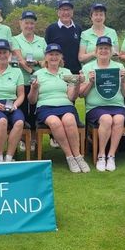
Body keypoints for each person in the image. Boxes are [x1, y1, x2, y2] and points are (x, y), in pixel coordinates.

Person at [28, 43, 90, 173]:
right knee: (55, 122)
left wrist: (77, 84)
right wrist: (33, 89)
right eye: (51, 54)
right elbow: (32, 100)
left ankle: (78, 156)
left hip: (66, 105)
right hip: (45, 107)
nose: (54, 57)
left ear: (61, 57)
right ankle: (70, 157)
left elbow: (72, 97)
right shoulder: (38, 73)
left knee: (69, 120)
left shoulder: (66, 72)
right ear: (46, 57)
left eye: (57, 54)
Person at [80, 36, 125, 172]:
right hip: (95, 107)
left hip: (117, 105)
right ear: (96, 50)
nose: (103, 51)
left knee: (119, 119)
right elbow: (81, 94)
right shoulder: (88, 67)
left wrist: (123, 81)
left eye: (106, 48)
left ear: (111, 51)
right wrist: (90, 82)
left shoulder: (119, 66)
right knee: (106, 119)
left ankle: (111, 155)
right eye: (100, 48)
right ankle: (101, 155)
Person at [12, 10, 47, 152]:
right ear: (21, 23)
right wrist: (33, 71)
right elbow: (20, 60)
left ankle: (32, 139)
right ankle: (21, 139)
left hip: (37, 83)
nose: (29, 25)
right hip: (21, 81)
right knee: (21, 111)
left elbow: (46, 60)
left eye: (32, 23)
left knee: (34, 112)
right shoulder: (15, 40)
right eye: (26, 22)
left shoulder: (42, 41)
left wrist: (37, 62)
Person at [45, 0, 83, 74]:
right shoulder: (51, 29)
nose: (66, 12)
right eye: (63, 10)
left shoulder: (78, 29)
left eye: (68, 9)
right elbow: (46, 51)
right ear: (58, 12)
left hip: (75, 71)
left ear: (72, 12)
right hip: (57, 71)